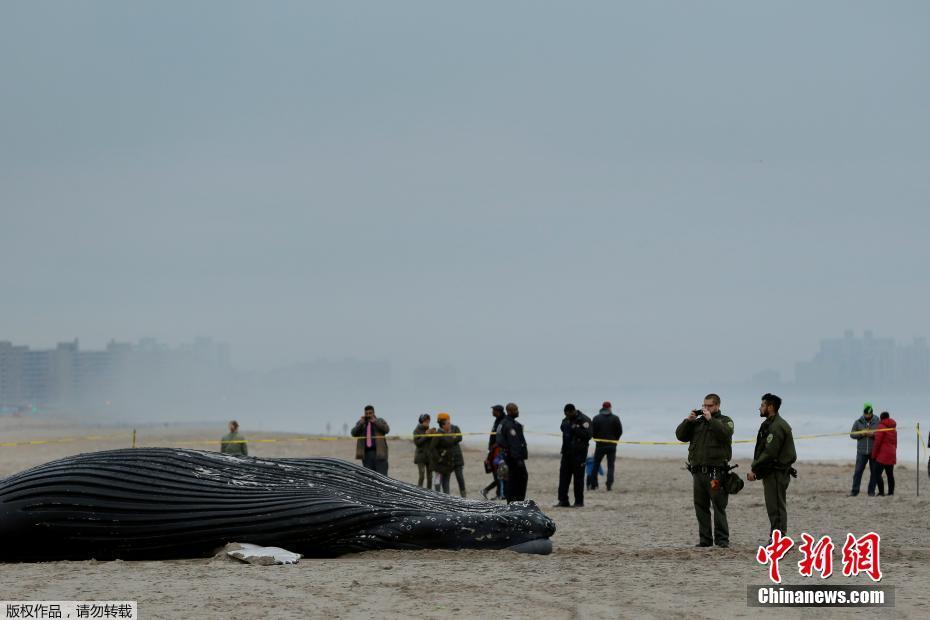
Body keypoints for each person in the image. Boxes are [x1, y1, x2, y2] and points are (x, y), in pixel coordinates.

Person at [675, 393, 734, 548]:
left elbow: (725, 434)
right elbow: (680, 436)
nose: (706, 408)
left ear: (717, 406)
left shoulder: (725, 421)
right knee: (700, 506)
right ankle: (705, 540)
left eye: (709, 406)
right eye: (704, 405)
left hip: (716, 472)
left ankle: (722, 540)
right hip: (698, 472)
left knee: (718, 505)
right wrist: (688, 421)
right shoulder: (698, 423)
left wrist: (710, 419)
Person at [748, 393, 797, 538]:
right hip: (771, 471)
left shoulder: (777, 427)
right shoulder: (769, 424)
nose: (759, 408)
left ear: (770, 407)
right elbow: (762, 449)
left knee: (776, 506)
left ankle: (779, 538)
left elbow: (770, 453)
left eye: (762, 405)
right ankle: (776, 536)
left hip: (777, 472)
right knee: (772, 505)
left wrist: (754, 467)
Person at [554, 404, 592, 508]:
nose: (567, 416)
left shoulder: (584, 420)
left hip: (579, 454)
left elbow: (588, 435)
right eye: (565, 414)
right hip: (566, 453)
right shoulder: (566, 420)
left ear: (573, 411)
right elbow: (562, 428)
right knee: (563, 478)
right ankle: (563, 500)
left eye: (568, 414)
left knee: (578, 479)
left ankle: (579, 501)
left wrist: (575, 429)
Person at [849, 402, 884, 497]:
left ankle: (871, 492)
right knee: (858, 471)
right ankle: (854, 491)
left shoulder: (878, 421)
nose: (868, 415)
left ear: (872, 413)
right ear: (863, 413)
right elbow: (852, 434)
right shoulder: (858, 422)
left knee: (874, 473)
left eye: (869, 414)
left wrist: (873, 435)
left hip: (874, 451)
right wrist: (862, 434)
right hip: (861, 451)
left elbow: (882, 435)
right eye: (866, 414)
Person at [496, 402, 528, 503]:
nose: (517, 412)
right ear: (509, 411)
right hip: (512, 457)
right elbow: (514, 443)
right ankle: (517, 501)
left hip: (507, 455)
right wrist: (518, 459)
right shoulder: (509, 425)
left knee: (512, 479)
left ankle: (513, 500)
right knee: (519, 479)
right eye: (515, 410)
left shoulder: (503, 422)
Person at [591, 401, 623, 491]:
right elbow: (620, 431)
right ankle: (609, 484)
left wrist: (596, 439)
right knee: (610, 466)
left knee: (596, 464)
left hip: (600, 444)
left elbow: (592, 431)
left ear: (602, 408)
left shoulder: (596, 418)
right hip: (611, 445)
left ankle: (594, 484)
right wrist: (615, 440)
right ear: (609, 408)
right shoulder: (615, 418)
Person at [351, 405, 390, 475]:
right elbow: (353, 433)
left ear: (374, 413)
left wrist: (375, 421)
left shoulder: (380, 420)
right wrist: (360, 424)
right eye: (367, 413)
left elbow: (386, 430)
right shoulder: (361, 423)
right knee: (369, 477)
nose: (368, 415)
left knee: (382, 476)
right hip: (366, 454)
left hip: (379, 453)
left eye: (370, 413)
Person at [481, 405, 506, 500]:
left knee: (499, 472)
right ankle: (498, 493)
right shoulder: (497, 420)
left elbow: (501, 436)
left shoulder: (503, 421)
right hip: (493, 449)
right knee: (496, 473)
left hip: (499, 450)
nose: (492, 412)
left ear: (498, 411)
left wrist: (496, 445)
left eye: (493, 411)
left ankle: (498, 493)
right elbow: (493, 436)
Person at [430, 413, 458, 494]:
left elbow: (452, 444)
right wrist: (439, 458)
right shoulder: (438, 434)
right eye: (448, 423)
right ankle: (438, 495)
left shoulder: (448, 433)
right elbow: (432, 448)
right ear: (443, 425)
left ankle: (447, 497)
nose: (450, 425)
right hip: (440, 462)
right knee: (438, 479)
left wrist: (452, 437)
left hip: (448, 462)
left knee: (446, 481)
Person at [871, 411, 897, 496]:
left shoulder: (881, 426)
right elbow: (895, 442)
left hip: (883, 455)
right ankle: (891, 493)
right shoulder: (893, 428)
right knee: (890, 474)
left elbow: (877, 442)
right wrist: (894, 451)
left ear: (881, 418)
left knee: (877, 473)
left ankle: (881, 492)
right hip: (892, 453)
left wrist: (873, 455)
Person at [413, 414, 434, 488]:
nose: (428, 423)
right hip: (420, 456)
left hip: (429, 456)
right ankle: (419, 492)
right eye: (426, 421)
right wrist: (426, 435)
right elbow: (417, 443)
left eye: (428, 421)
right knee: (421, 476)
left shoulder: (428, 429)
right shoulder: (416, 430)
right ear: (422, 421)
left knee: (430, 477)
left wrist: (434, 434)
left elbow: (432, 443)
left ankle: (429, 493)